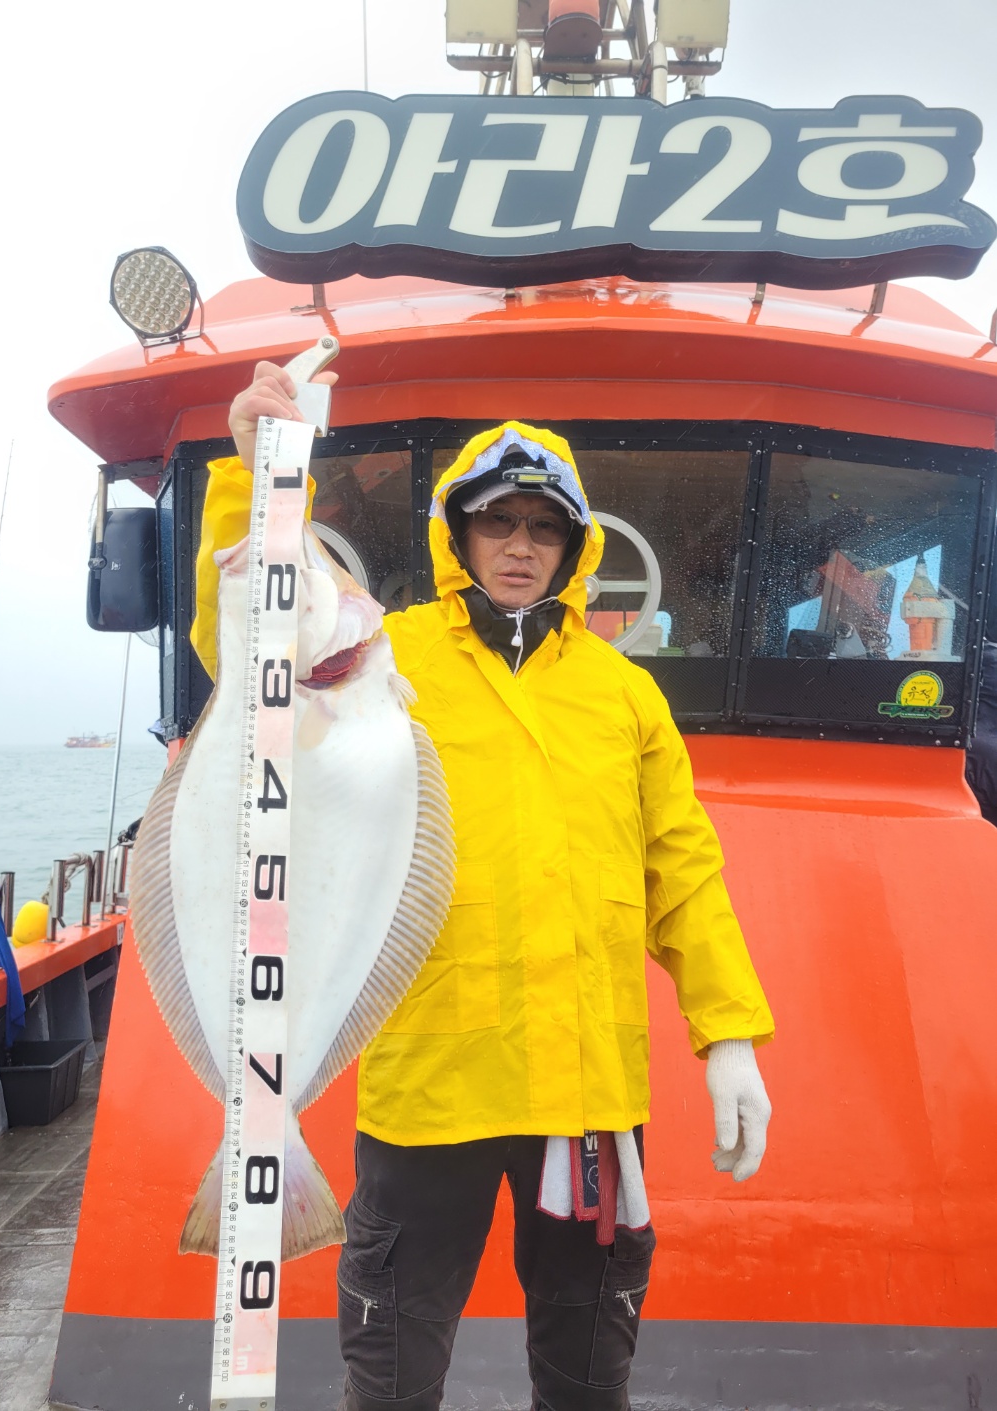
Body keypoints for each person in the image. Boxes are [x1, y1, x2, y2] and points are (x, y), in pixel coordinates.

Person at [191, 363, 775, 1411]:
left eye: (543, 527)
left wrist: (727, 1032)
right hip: (430, 1086)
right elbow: (247, 645)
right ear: (455, 533)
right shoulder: (380, 650)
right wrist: (256, 480)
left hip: (588, 1095)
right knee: (392, 1376)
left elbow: (682, 868)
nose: (518, 544)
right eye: (495, 520)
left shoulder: (626, 693)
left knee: (589, 1375)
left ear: (573, 547)